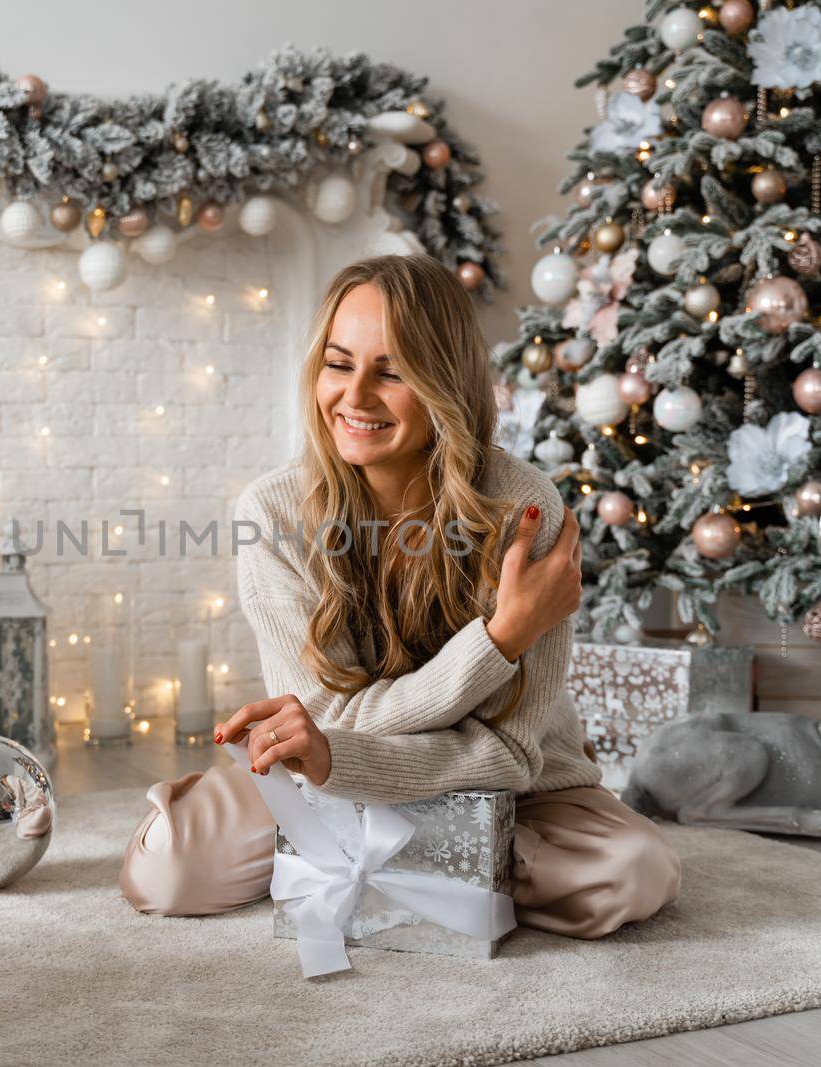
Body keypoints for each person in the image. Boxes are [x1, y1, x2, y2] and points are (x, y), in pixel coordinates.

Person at [119, 255, 680, 938]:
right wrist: (496, 640)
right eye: (338, 363)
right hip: (322, 776)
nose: (355, 396)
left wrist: (338, 752)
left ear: (443, 381)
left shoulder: (525, 510)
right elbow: (321, 726)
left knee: (629, 874)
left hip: (507, 786)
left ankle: (386, 862)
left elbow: (506, 752)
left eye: (391, 372)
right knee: (164, 870)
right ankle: (432, 868)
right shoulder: (274, 510)